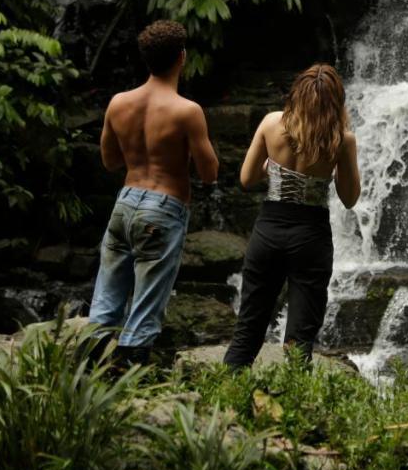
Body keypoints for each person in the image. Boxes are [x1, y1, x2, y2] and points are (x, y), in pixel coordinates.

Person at [88, 20, 219, 364]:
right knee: (147, 304)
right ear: (182, 58)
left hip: (125, 202)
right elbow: (210, 173)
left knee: (105, 300)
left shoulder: (118, 103)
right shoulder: (187, 111)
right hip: (163, 208)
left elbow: (109, 161)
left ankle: (87, 379)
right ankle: (127, 377)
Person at [223, 63, 361, 367]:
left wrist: (277, 170)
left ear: (297, 93)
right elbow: (350, 198)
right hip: (311, 237)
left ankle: (222, 402)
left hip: (269, 231)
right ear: (337, 101)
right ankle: (296, 408)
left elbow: (246, 179)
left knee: (249, 327)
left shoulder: (272, 123)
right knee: (300, 338)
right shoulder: (342, 139)